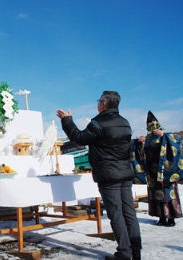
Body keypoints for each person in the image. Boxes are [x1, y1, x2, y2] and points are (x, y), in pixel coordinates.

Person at [56, 91, 141, 260]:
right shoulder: (125, 123)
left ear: (103, 104)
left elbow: (79, 138)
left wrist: (66, 121)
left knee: (116, 213)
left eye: (98, 101)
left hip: (108, 175)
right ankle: (135, 252)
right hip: (125, 172)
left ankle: (124, 253)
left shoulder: (98, 123)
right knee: (129, 213)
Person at [131, 111, 183, 227]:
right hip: (153, 173)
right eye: (150, 124)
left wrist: (164, 135)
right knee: (156, 195)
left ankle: (171, 218)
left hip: (166, 172)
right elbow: (139, 151)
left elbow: (176, 140)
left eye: (154, 123)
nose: (152, 126)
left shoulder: (165, 135)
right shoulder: (147, 138)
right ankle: (161, 217)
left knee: (169, 194)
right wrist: (138, 142)